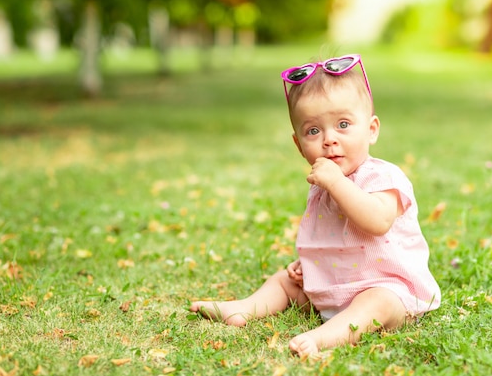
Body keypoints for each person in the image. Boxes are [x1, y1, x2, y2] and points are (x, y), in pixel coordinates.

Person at [189, 54, 441, 358]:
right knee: (283, 281)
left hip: (391, 292)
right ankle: (244, 308)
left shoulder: (383, 176)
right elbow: (329, 238)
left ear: (372, 129)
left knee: (377, 302)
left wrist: (337, 183)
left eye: (343, 124)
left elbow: (378, 221)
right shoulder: (323, 183)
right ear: (298, 145)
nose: (329, 140)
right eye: (313, 131)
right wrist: (307, 266)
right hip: (334, 290)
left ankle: (325, 337)